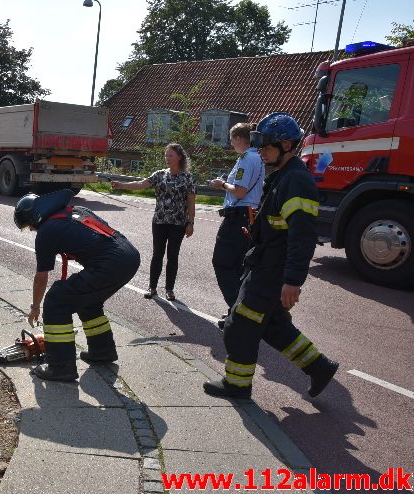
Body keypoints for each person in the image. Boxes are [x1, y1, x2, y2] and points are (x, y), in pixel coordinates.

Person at [203, 113, 339, 400]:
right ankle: (319, 367)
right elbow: (278, 226)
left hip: (271, 272)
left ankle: (237, 385)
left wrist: (292, 281)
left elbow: (302, 238)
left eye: (266, 148)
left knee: (239, 324)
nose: (261, 153)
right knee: (273, 325)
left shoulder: (295, 182)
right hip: (264, 264)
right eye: (259, 147)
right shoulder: (282, 176)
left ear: (287, 145)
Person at [14, 189, 140, 382]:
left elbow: (41, 277)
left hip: (110, 263)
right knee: (88, 301)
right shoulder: (77, 210)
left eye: (29, 225)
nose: (31, 229)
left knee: (56, 301)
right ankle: (102, 351)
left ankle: (60, 367)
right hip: (129, 255)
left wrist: (35, 307)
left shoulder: (47, 230)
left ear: (34, 217)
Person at [111, 143, 196, 300]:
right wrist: (121, 185)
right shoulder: (159, 175)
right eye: (166, 155)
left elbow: (191, 202)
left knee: (173, 256)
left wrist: (191, 223)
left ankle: (170, 289)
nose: (167, 158)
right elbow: (141, 184)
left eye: (170, 155)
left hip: (178, 223)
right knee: (157, 254)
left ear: (179, 157)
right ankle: (152, 287)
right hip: (159, 221)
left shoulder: (188, 178)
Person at [209, 123, 264, 328]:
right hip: (248, 216)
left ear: (240, 139)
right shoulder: (257, 157)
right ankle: (240, 311)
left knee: (222, 263)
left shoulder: (246, 158)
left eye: (232, 140)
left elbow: (239, 192)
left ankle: (237, 313)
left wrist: (221, 184)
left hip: (238, 216)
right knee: (239, 267)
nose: (231, 144)